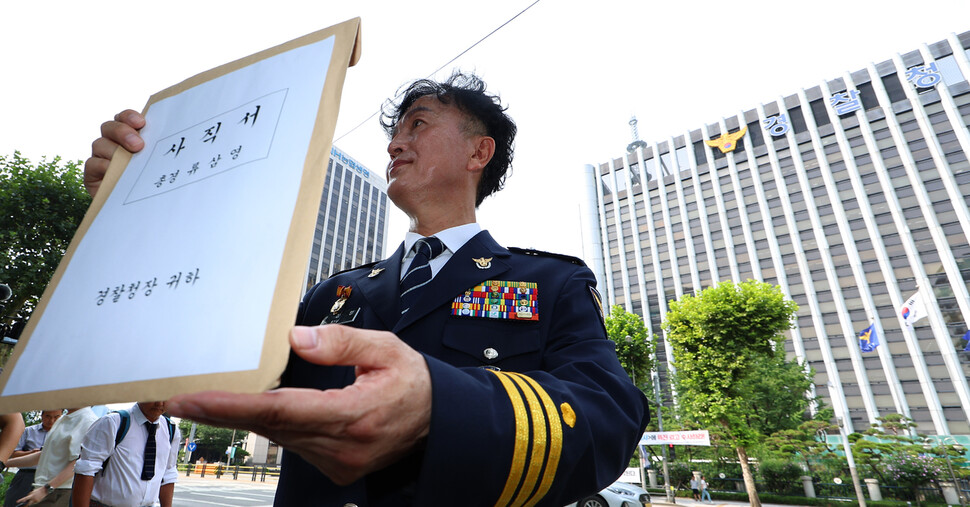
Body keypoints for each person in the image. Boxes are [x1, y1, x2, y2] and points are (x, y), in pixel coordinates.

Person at [86, 71, 649, 506]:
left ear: (479, 152)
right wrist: (143, 213)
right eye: (395, 132)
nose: (395, 144)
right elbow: (219, 363)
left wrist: (441, 407)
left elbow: (608, 420)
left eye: (418, 125)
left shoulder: (549, 282)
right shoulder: (335, 294)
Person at [72, 401, 181, 507]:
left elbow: (168, 473)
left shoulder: (170, 429)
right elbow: (86, 469)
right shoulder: (113, 423)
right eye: (154, 397)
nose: (159, 404)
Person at [6, 407, 98, 506]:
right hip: (45, 488)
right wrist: (5, 463)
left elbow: (78, 462)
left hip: (59, 491)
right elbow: (44, 454)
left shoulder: (87, 421)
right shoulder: (63, 419)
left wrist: (46, 489)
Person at [4, 410, 63, 507]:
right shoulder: (28, 431)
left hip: (50, 478)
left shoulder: (62, 434)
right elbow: (13, 453)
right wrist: (30, 453)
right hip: (26, 476)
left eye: (56, 417)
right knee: (14, 503)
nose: (51, 420)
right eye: (48, 416)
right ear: (42, 415)